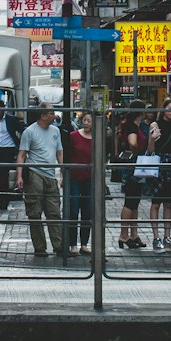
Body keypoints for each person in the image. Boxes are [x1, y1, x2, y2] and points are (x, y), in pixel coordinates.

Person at [15, 106, 64, 257]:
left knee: (54, 212)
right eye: (51, 113)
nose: (54, 116)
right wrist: (19, 176)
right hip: (35, 174)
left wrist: (62, 172)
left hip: (50, 175)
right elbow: (22, 154)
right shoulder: (29, 131)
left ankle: (59, 246)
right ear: (43, 116)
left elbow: (59, 152)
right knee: (35, 213)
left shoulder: (55, 131)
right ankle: (40, 247)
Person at [146, 97, 171, 250]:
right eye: (169, 109)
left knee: (168, 203)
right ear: (163, 109)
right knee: (156, 202)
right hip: (158, 163)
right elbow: (150, 150)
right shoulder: (156, 125)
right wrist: (152, 138)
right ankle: (156, 238)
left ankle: (167, 237)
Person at [115, 100, 149, 249]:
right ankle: (124, 235)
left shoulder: (129, 124)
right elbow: (133, 142)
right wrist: (138, 154)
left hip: (132, 166)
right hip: (134, 167)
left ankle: (133, 235)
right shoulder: (131, 126)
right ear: (140, 112)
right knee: (130, 201)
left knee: (134, 201)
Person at [64, 110, 95, 256]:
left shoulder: (98, 139)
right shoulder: (73, 136)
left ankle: (84, 243)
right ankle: (72, 244)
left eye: (89, 121)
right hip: (74, 177)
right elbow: (66, 156)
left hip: (90, 179)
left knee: (88, 212)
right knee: (73, 211)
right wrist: (63, 176)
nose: (86, 123)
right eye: (85, 120)